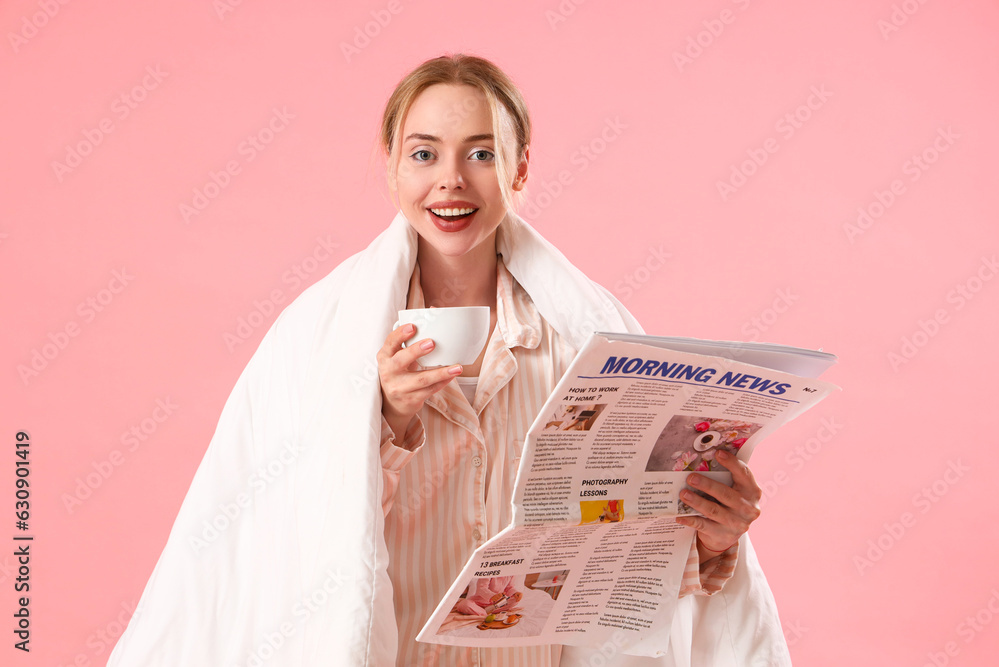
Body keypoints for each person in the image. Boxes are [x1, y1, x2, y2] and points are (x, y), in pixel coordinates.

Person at [108, 54, 789, 666]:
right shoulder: (315, 339)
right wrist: (382, 420)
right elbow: (279, 543)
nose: (451, 181)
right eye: (425, 154)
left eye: (482, 154)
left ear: (521, 167)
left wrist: (710, 541)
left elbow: (625, 566)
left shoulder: (592, 341)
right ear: (392, 167)